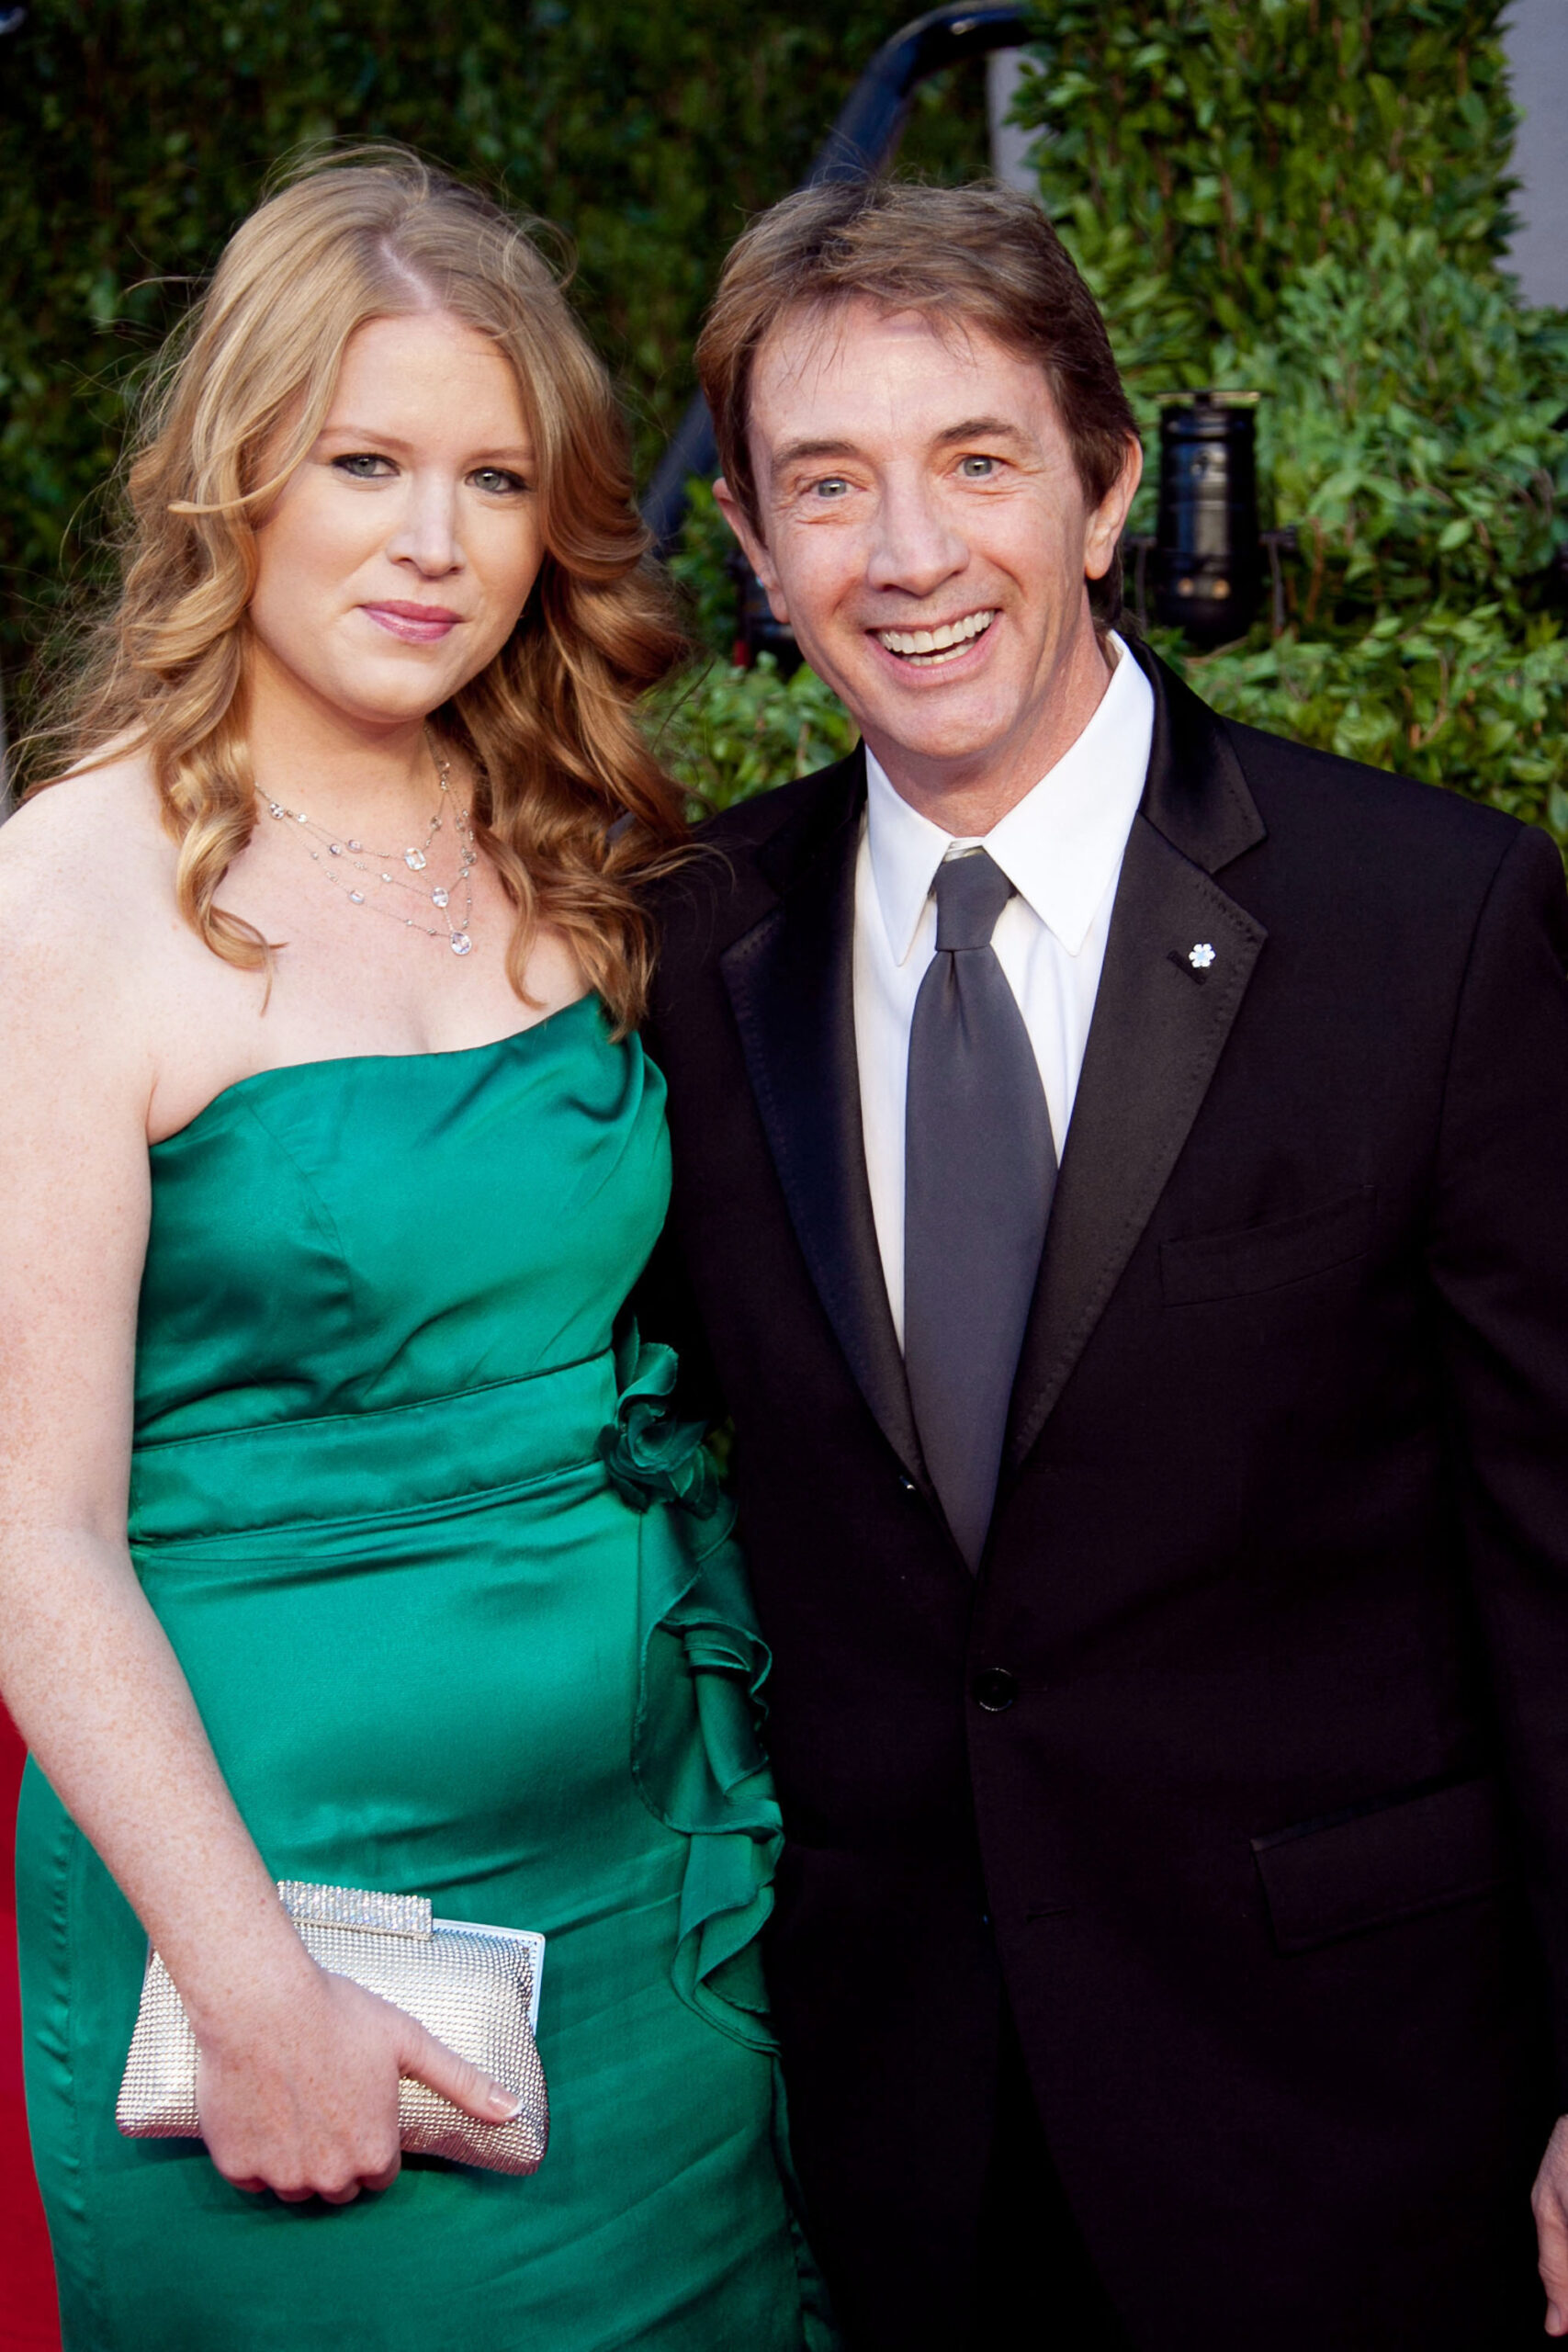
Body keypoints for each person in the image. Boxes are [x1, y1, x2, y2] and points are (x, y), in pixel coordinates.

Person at [640, 176, 1568, 2350]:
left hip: (1345, 2127)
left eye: (975, 461)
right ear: (760, 562)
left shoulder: (1424, 925)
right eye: (825, 487)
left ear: (1103, 490)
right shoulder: (678, 946)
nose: (909, 553)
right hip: (879, 2142)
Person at [0, 153, 831, 2352]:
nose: (435, 540)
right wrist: (252, 1985)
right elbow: (27, 1525)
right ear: (234, 476)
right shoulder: (70, 901)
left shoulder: (579, 842)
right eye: (366, 461)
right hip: (287, 1931)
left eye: (492, 475)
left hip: (655, 1910)